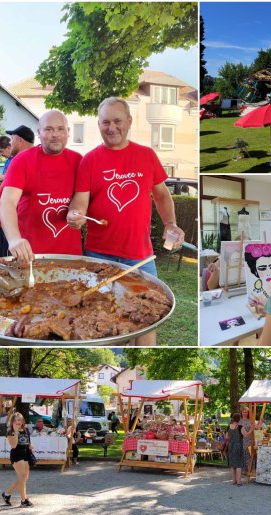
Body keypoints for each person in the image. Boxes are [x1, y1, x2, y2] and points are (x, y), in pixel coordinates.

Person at [68, 97, 184, 345]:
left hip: (140, 256)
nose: (112, 128)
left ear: (129, 121)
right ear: (98, 124)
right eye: (105, 122)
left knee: (147, 318)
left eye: (117, 121)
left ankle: (144, 369)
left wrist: (170, 223)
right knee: (99, 317)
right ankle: (118, 369)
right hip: (98, 256)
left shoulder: (146, 155)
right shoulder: (89, 160)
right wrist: (75, 215)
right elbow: (80, 201)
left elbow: (162, 195)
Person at [0, 110, 83, 262]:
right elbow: (7, 202)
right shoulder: (22, 161)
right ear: (39, 132)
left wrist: (78, 214)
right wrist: (14, 239)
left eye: (60, 129)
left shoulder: (78, 161)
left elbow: (83, 199)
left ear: (68, 132)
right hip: (30, 255)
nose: (55, 134)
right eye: (49, 129)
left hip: (70, 255)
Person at [0, 126, 35, 257]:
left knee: (7, 258)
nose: (10, 142)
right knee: (1, 257)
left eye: (12, 139)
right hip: (6, 220)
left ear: (20, 140)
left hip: (14, 221)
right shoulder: (18, 159)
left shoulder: (28, 160)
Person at [0, 412, 33, 507]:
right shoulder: (10, 432)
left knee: (24, 478)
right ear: (13, 421)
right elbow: (13, 445)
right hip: (17, 455)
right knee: (22, 477)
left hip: (26, 454)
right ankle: (24, 500)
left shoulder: (26, 429)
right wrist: (16, 432)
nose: (19, 421)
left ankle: (7, 494)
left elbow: (28, 442)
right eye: (17, 420)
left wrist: (30, 446)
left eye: (20, 419)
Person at [225, 413, 245, 486]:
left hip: (231, 446)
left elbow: (226, 437)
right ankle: (239, 482)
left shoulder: (229, 427)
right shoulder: (240, 427)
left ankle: (234, 481)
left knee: (232, 464)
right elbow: (245, 435)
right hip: (238, 446)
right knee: (239, 464)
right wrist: (251, 430)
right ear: (239, 419)